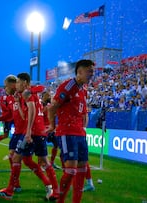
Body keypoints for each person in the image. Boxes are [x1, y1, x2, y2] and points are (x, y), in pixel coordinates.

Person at [0, 73, 58, 201]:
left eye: (18, 82)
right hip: (35, 132)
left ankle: (11, 190)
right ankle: (54, 189)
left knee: (17, 158)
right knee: (39, 161)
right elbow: (23, 115)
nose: (16, 85)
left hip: (31, 133)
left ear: (24, 83)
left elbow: (32, 110)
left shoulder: (27, 93)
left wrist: (28, 132)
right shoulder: (22, 96)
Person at [48, 59, 95, 203]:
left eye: (92, 71)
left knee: (81, 170)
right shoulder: (69, 86)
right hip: (67, 132)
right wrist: (52, 126)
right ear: (79, 72)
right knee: (71, 171)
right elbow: (53, 107)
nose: (91, 74)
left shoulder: (84, 90)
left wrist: (83, 127)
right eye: (89, 71)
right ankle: (60, 200)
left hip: (80, 134)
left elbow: (83, 113)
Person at [41, 91, 61, 170]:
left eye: (49, 95)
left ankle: (52, 162)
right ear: (44, 97)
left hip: (51, 129)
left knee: (56, 144)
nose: (49, 97)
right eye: (47, 95)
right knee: (42, 147)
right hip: (43, 129)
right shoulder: (41, 105)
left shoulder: (50, 105)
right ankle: (42, 164)